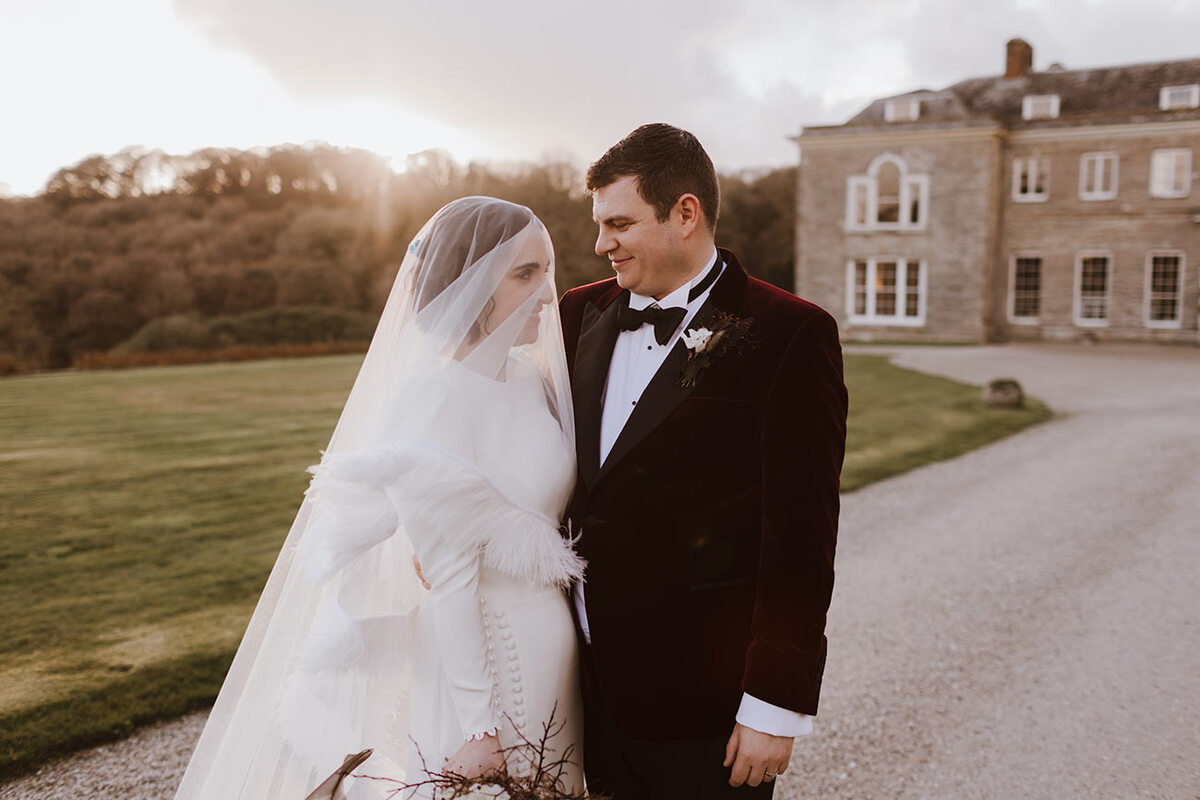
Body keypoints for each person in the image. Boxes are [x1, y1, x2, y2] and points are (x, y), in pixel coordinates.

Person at [174, 197, 586, 800]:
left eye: (548, 271)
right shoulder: (431, 396)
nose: (550, 294)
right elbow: (449, 580)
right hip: (491, 667)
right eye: (526, 274)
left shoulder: (532, 382)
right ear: (468, 285)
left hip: (554, 645)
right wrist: (480, 725)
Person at [558, 124, 848, 799]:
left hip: (705, 710)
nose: (602, 244)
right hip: (583, 698)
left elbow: (801, 538)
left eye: (620, 223)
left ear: (684, 214)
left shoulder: (789, 334)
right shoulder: (575, 316)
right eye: (601, 225)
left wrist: (775, 703)